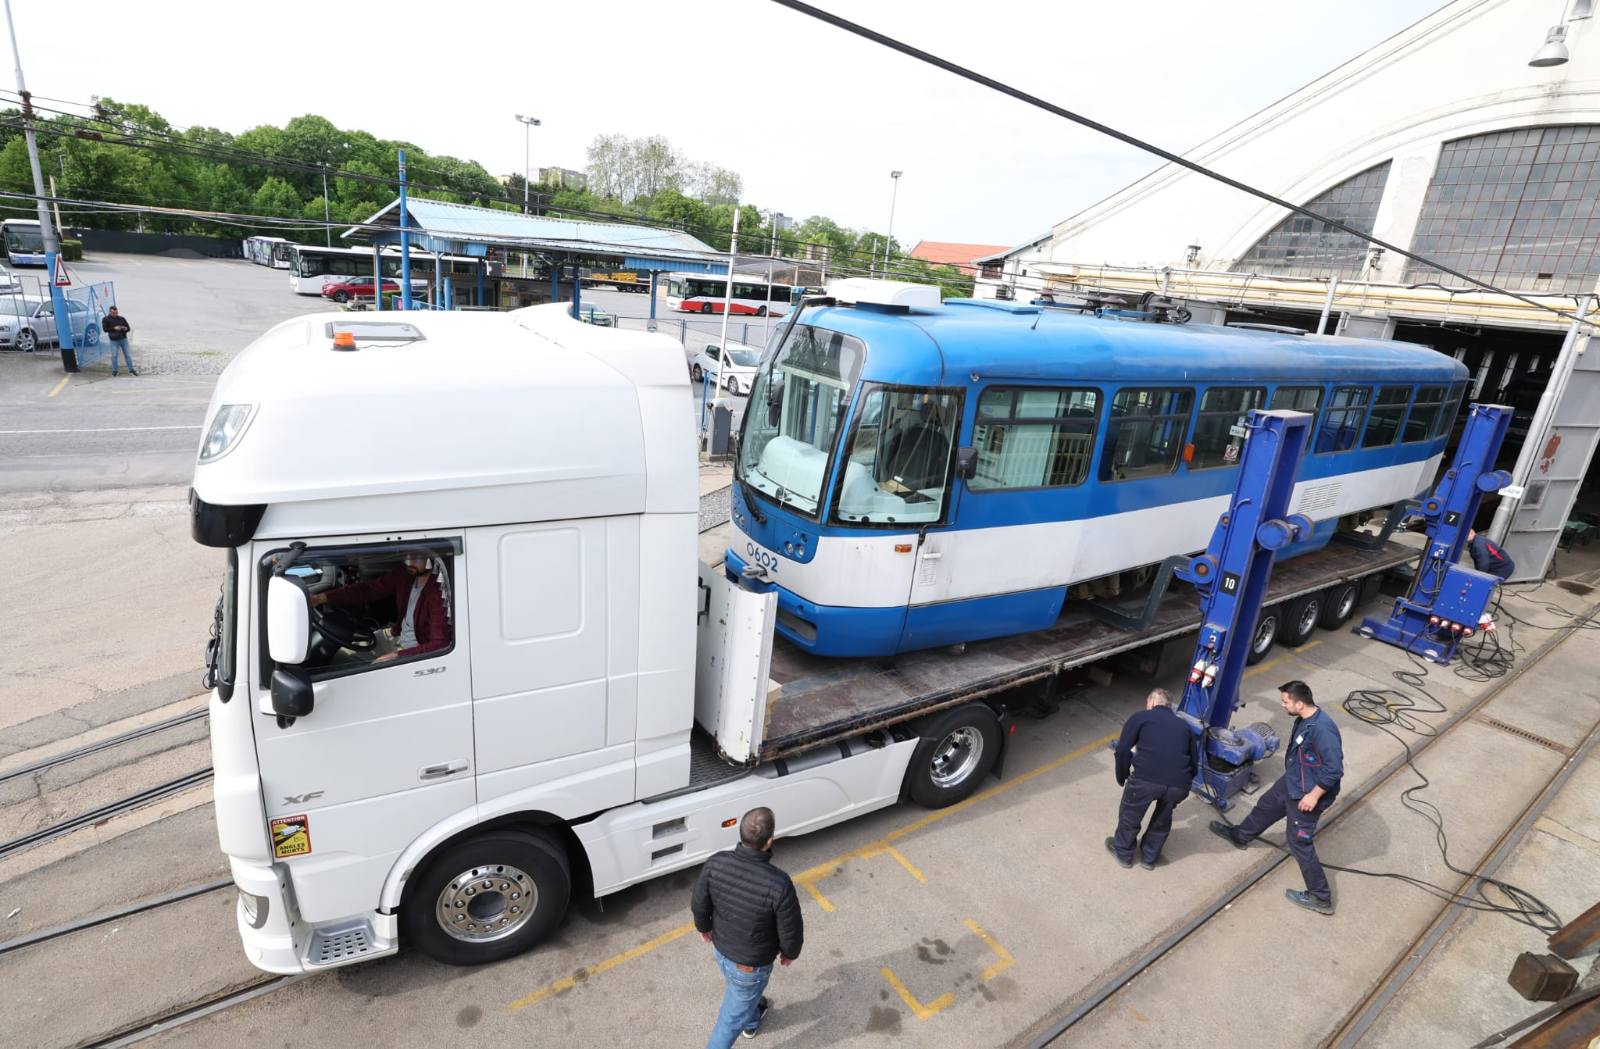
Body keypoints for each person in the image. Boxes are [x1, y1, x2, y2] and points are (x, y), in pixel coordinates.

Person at [1210, 680, 1343, 915]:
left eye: (1285, 701)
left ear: (1299, 703)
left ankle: (1321, 896)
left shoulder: (1323, 730)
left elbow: (1334, 770)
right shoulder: (1303, 719)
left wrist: (1313, 796)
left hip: (1309, 793)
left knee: (1299, 842)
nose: (1282, 705)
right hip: (1295, 779)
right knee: (1267, 805)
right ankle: (1241, 836)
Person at [691, 807, 804, 1046]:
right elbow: (790, 928)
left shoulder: (715, 863)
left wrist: (704, 927)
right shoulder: (779, 883)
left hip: (722, 951)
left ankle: (751, 1022)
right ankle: (746, 1019)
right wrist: (790, 953)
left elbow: (699, 902)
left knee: (740, 993)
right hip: (750, 967)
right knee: (728, 1022)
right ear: (769, 841)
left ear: (740, 833)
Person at [1106, 688, 1196, 870]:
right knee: (1163, 819)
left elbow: (1122, 750)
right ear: (1169, 706)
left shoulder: (1141, 717)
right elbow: (1194, 761)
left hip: (1145, 780)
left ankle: (1123, 853)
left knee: (1131, 814)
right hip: (1178, 785)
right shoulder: (1185, 727)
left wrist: (1122, 776)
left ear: (1152, 702)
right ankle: (1149, 857)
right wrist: (1183, 783)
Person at [309, 551, 450, 661]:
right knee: (343, 656)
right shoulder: (405, 574)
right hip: (398, 635)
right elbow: (369, 590)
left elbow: (440, 643)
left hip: (418, 648)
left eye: (416, 557)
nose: (409, 561)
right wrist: (322, 598)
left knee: (364, 671)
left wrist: (397, 656)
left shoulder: (438, 590)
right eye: (407, 555)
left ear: (431, 558)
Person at [102, 306, 136, 376]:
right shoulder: (105, 319)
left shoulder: (122, 318)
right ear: (110, 312)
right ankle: (115, 371)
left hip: (123, 339)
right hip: (114, 340)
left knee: (128, 355)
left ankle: (131, 370)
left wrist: (125, 328)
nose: (115, 314)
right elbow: (105, 329)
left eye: (116, 313)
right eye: (113, 313)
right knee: (114, 356)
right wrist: (114, 328)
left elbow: (128, 328)